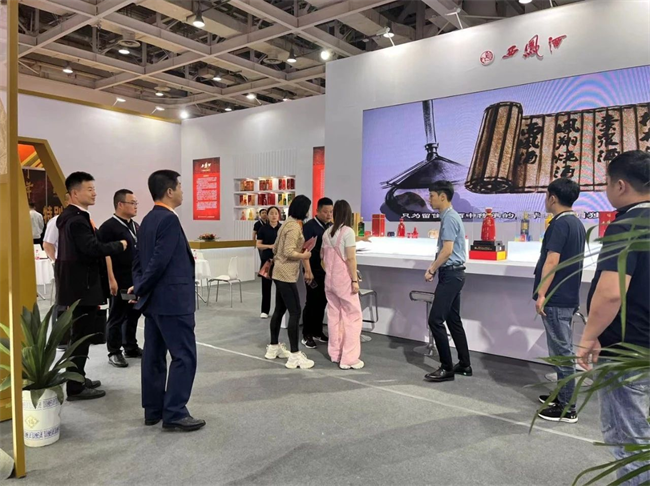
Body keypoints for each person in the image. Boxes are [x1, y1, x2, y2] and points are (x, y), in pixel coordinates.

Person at [578, 150, 650, 484]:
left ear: (620, 185)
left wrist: (588, 336)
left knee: (629, 440)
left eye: (606, 183)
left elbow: (611, 292)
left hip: (627, 347)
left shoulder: (628, 224)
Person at [131, 170, 205, 432]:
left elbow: (138, 260)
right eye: (180, 186)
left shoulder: (147, 219)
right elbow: (159, 261)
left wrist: (139, 287)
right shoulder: (169, 220)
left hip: (154, 302)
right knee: (184, 356)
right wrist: (141, 286)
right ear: (170, 191)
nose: (183, 191)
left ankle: (153, 410)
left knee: (153, 356)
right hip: (173, 301)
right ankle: (174, 412)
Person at [56, 172, 127, 401]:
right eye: (89, 189)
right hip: (82, 288)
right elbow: (92, 248)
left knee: (81, 336)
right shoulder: (76, 220)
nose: (94, 193)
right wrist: (119, 245)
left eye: (94, 189)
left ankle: (77, 377)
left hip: (78, 287)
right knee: (80, 337)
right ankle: (75, 387)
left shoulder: (72, 217)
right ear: (74, 193)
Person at [533, 178, 585, 423]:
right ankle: (562, 396)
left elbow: (552, 261)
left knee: (562, 352)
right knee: (560, 350)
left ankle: (567, 407)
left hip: (557, 296)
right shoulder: (576, 223)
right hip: (567, 294)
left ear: (553, 198)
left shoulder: (560, 224)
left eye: (546, 195)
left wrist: (542, 293)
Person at [423, 180, 471, 383]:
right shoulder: (449, 217)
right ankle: (465, 364)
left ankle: (446, 367)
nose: (429, 199)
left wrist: (432, 268)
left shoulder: (450, 218)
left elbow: (447, 250)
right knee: (453, 320)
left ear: (443, 196)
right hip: (454, 274)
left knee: (435, 320)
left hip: (451, 275)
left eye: (432, 195)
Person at [264, 195, 314, 369]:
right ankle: (294, 355)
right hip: (286, 274)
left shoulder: (286, 224)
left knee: (279, 310)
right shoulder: (293, 227)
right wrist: (304, 255)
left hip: (279, 272)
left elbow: (276, 248)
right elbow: (288, 251)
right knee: (295, 311)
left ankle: (273, 347)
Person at [97, 189, 143, 369]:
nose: (136, 206)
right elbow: (104, 255)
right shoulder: (108, 228)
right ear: (120, 204)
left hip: (134, 279)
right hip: (118, 279)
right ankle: (114, 351)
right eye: (133, 203)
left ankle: (130, 346)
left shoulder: (135, 226)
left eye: (136, 203)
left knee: (133, 313)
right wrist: (111, 279)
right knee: (117, 315)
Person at [322, 200, 364, 370]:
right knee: (353, 317)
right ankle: (349, 358)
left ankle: (335, 353)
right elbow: (351, 258)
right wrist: (354, 280)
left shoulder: (326, 233)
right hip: (344, 281)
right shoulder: (348, 232)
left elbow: (322, 258)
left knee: (334, 317)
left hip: (329, 281)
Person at [301, 197, 333, 349]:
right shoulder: (309, 227)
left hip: (326, 270)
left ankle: (317, 331)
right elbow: (304, 250)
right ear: (317, 211)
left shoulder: (331, 226)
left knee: (322, 301)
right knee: (312, 301)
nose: (329, 214)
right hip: (312, 269)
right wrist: (308, 271)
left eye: (331, 212)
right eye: (325, 212)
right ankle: (306, 334)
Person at [256, 206, 281, 318]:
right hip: (267, 261)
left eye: (276, 213)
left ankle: (279, 311)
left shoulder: (282, 228)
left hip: (280, 261)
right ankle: (265, 311)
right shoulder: (263, 229)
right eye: (271, 213)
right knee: (266, 287)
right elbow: (258, 245)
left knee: (280, 287)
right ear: (268, 215)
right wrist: (270, 246)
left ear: (279, 215)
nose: (274, 215)